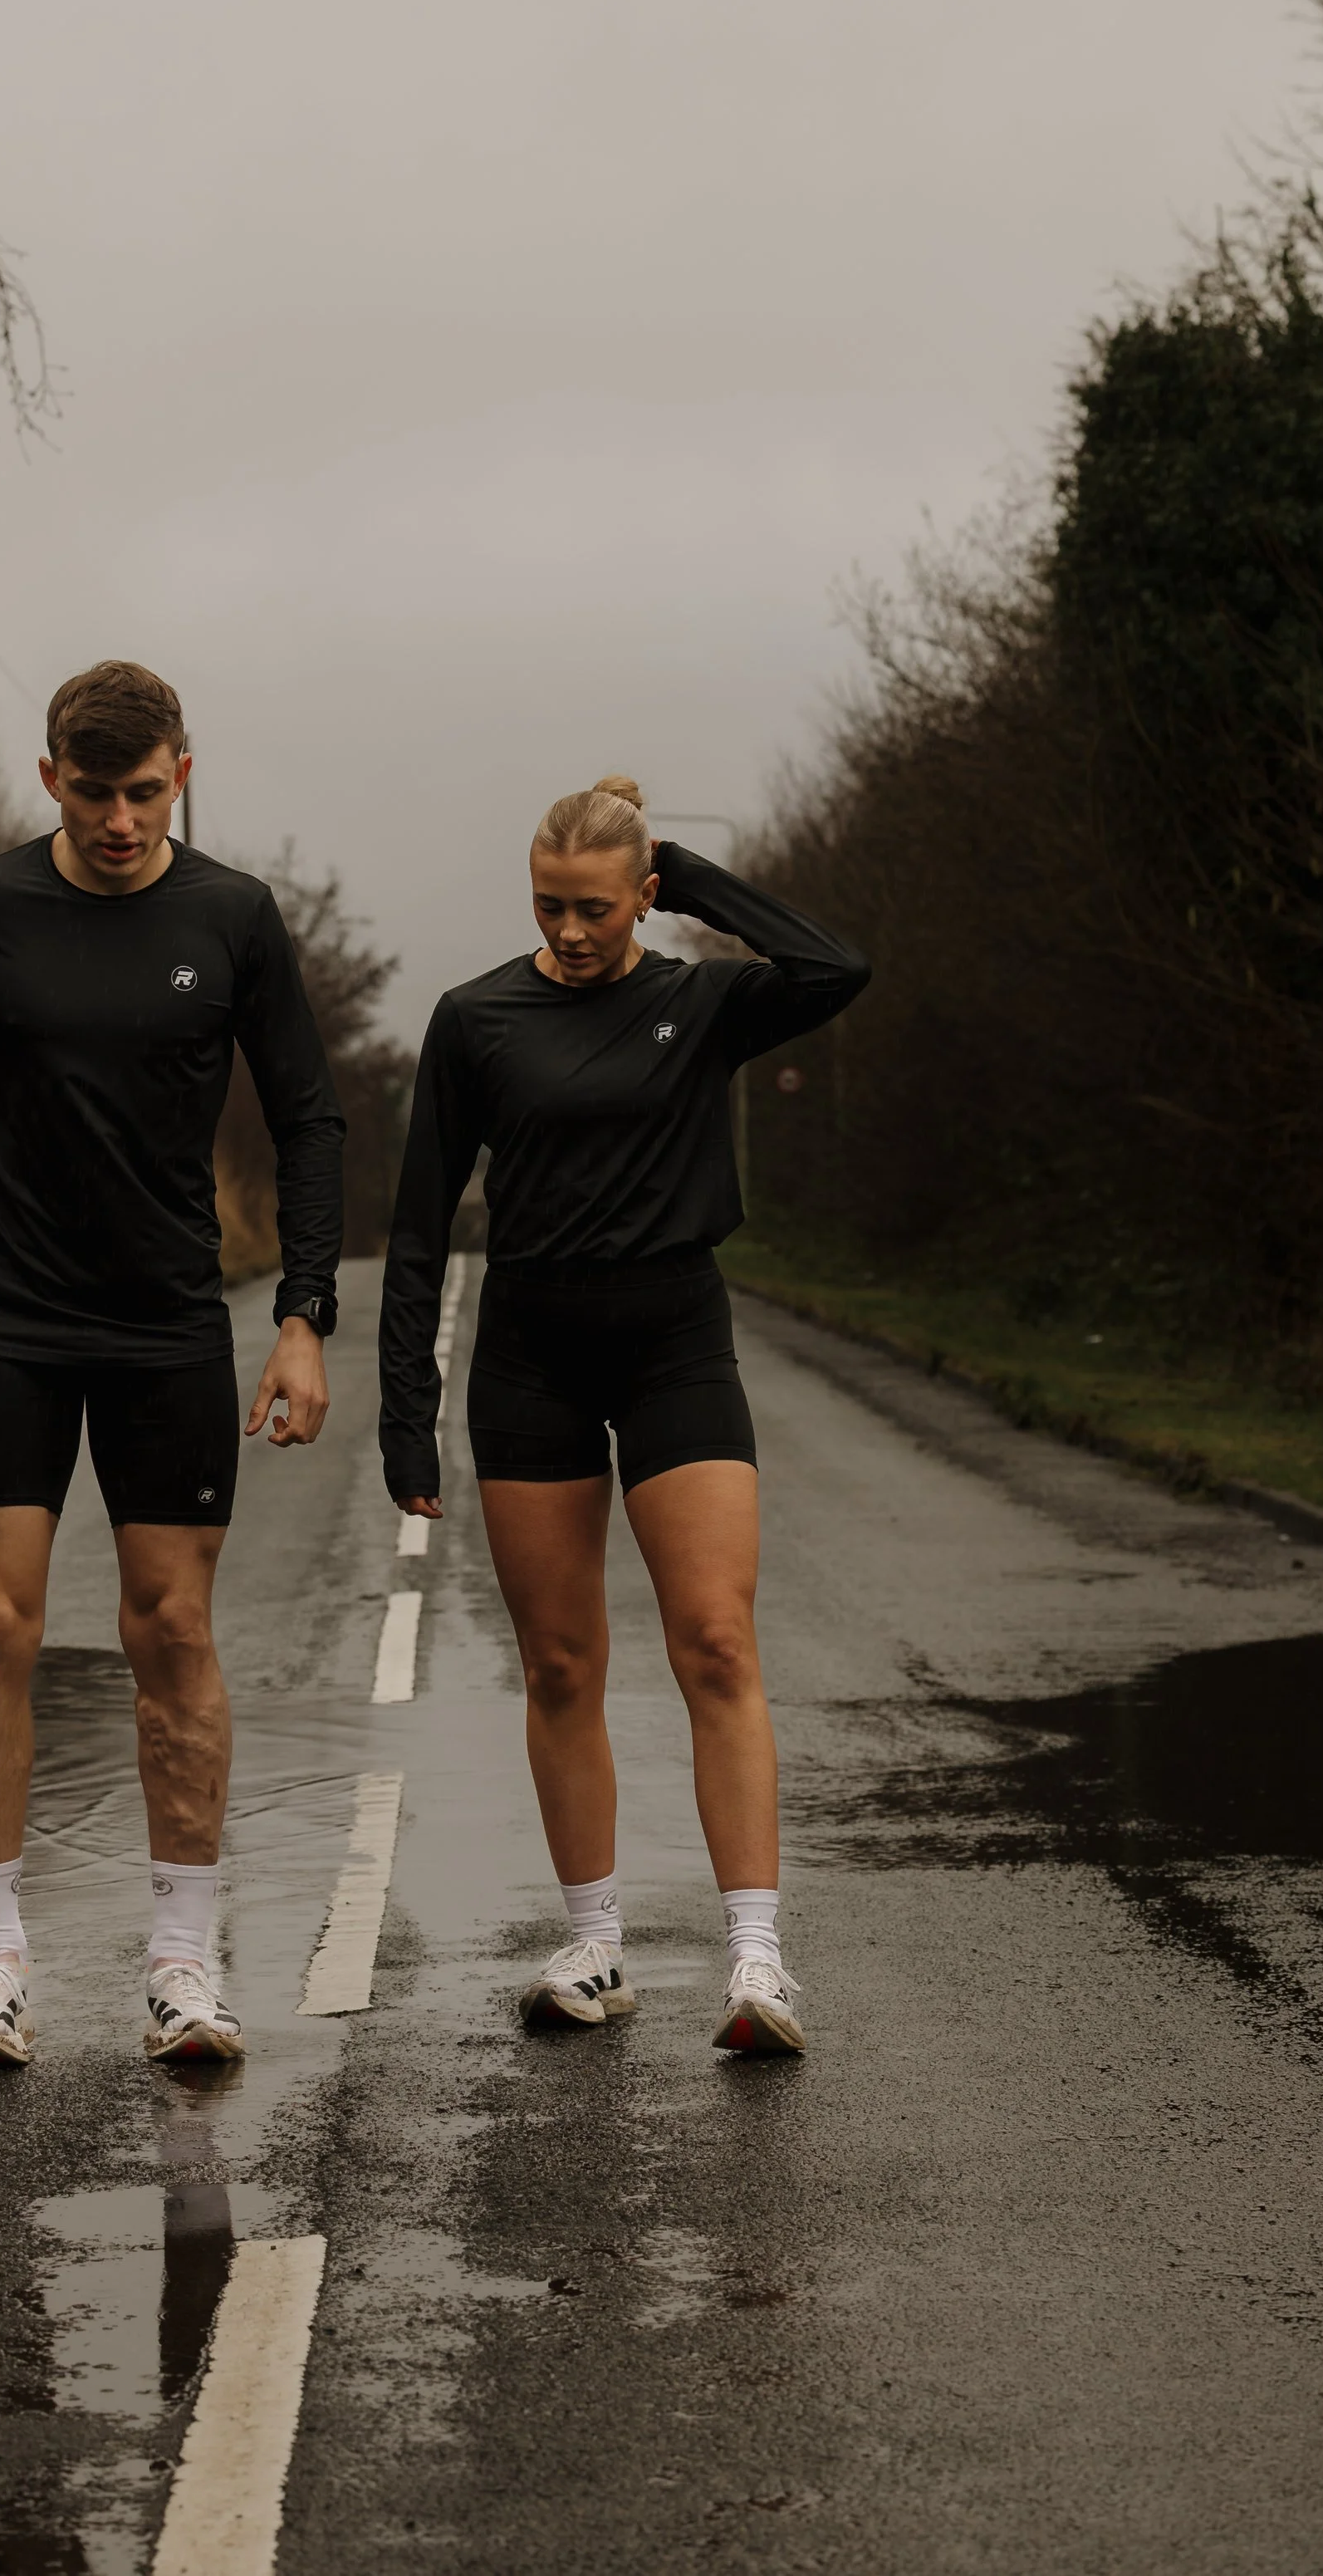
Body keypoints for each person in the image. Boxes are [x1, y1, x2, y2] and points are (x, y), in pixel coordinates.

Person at [0, 660, 345, 2072]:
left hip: (166, 1318)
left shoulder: (233, 916)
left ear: (182, 774)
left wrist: (302, 1315)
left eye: (144, 792)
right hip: (8, 1312)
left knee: (173, 1630)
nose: (118, 819)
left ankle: (182, 1964)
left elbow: (308, 1115)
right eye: (93, 792)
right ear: (50, 776)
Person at [378, 777, 867, 2053]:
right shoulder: (477, 1018)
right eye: (549, 903)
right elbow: (420, 1224)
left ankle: (756, 1959)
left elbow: (836, 966)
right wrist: (405, 1411)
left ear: (643, 895)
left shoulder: (701, 1002)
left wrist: (687, 871)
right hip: (530, 1353)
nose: (570, 928)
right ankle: (593, 1944)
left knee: (716, 1639)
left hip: (672, 1344)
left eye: (596, 906)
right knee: (560, 1663)